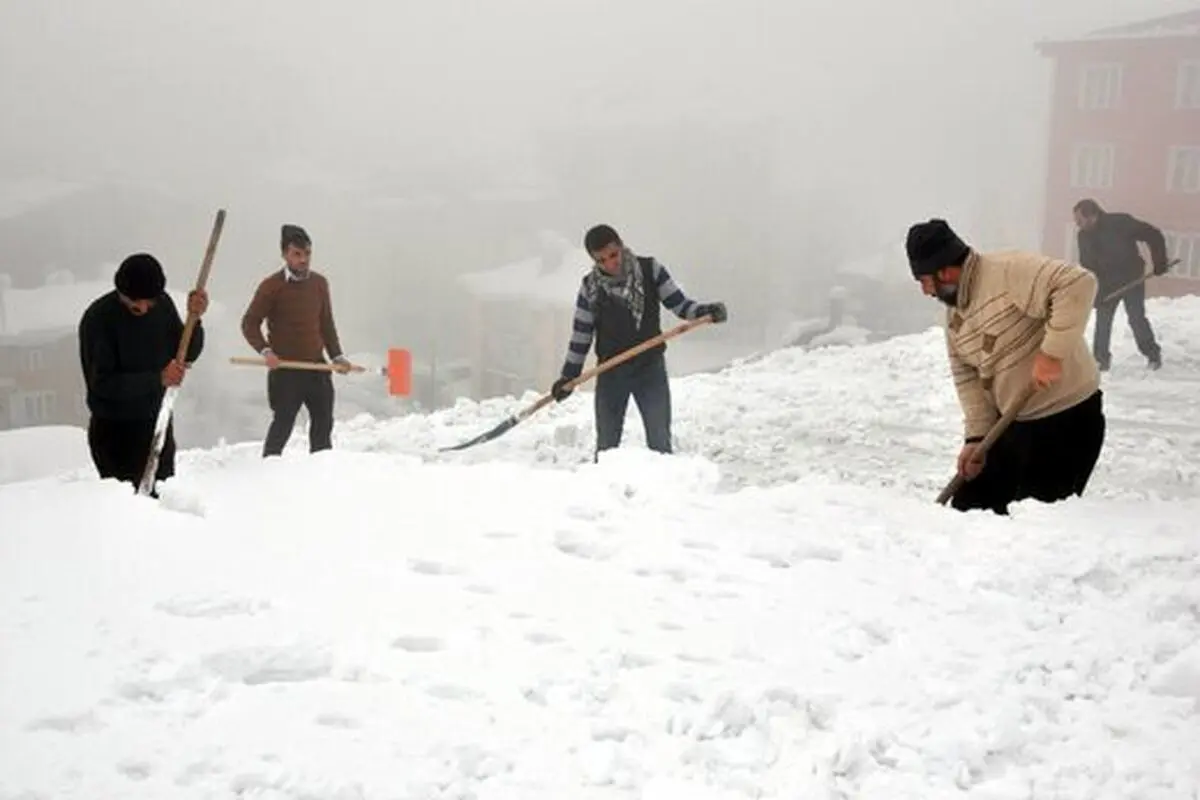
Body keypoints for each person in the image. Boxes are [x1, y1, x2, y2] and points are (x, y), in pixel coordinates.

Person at [906, 218, 1106, 516]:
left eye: (924, 281)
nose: (925, 291)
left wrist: (1052, 355)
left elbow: (1077, 283)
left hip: (1067, 421)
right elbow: (967, 379)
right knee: (967, 510)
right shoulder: (955, 317)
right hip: (1012, 425)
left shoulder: (1007, 271)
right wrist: (976, 439)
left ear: (944, 272)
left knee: (1032, 524)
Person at [549, 223, 728, 458]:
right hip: (611, 371)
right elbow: (581, 336)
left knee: (659, 443)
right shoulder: (590, 288)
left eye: (613, 255)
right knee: (606, 448)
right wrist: (568, 377)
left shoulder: (650, 270)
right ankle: (602, 491)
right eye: (601, 260)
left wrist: (706, 312)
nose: (609, 264)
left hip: (649, 369)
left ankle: (664, 490)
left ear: (621, 247)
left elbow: (680, 305)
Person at [78, 253, 208, 490]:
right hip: (116, 434)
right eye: (137, 303)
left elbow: (185, 354)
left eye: (151, 302)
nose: (145, 308)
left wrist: (194, 319)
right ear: (122, 293)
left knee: (163, 502)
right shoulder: (99, 320)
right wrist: (158, 378)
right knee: (128, 511)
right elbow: (103, 384)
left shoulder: (162, 305)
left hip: (157, 422)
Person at [241, 224, 351, 457]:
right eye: (297, 254)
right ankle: (269, 468)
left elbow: (326, 323)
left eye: (307, 254)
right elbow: (249, 323)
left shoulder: (319, 284)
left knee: (323, 424)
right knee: (283, 423)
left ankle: (320, 472)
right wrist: (265, 351)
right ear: (285, 255)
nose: (303, 260)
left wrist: (337, 356)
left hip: (317, 367)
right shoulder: (272, 287)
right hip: (286, 370)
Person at [1072, 198, 1170, 371]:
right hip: (1106, 285)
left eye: (1080, 220)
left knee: (1136, 317)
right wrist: (1095, 292)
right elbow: (1087, 266)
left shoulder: (1120, 223)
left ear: (1092, 216)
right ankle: (1101, 361)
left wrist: (1159, 261)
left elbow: (1153, 234)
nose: (1078, 225)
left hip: (1131, 280)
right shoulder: (1083, 236)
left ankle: (1152, 355)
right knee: (1103, 321)